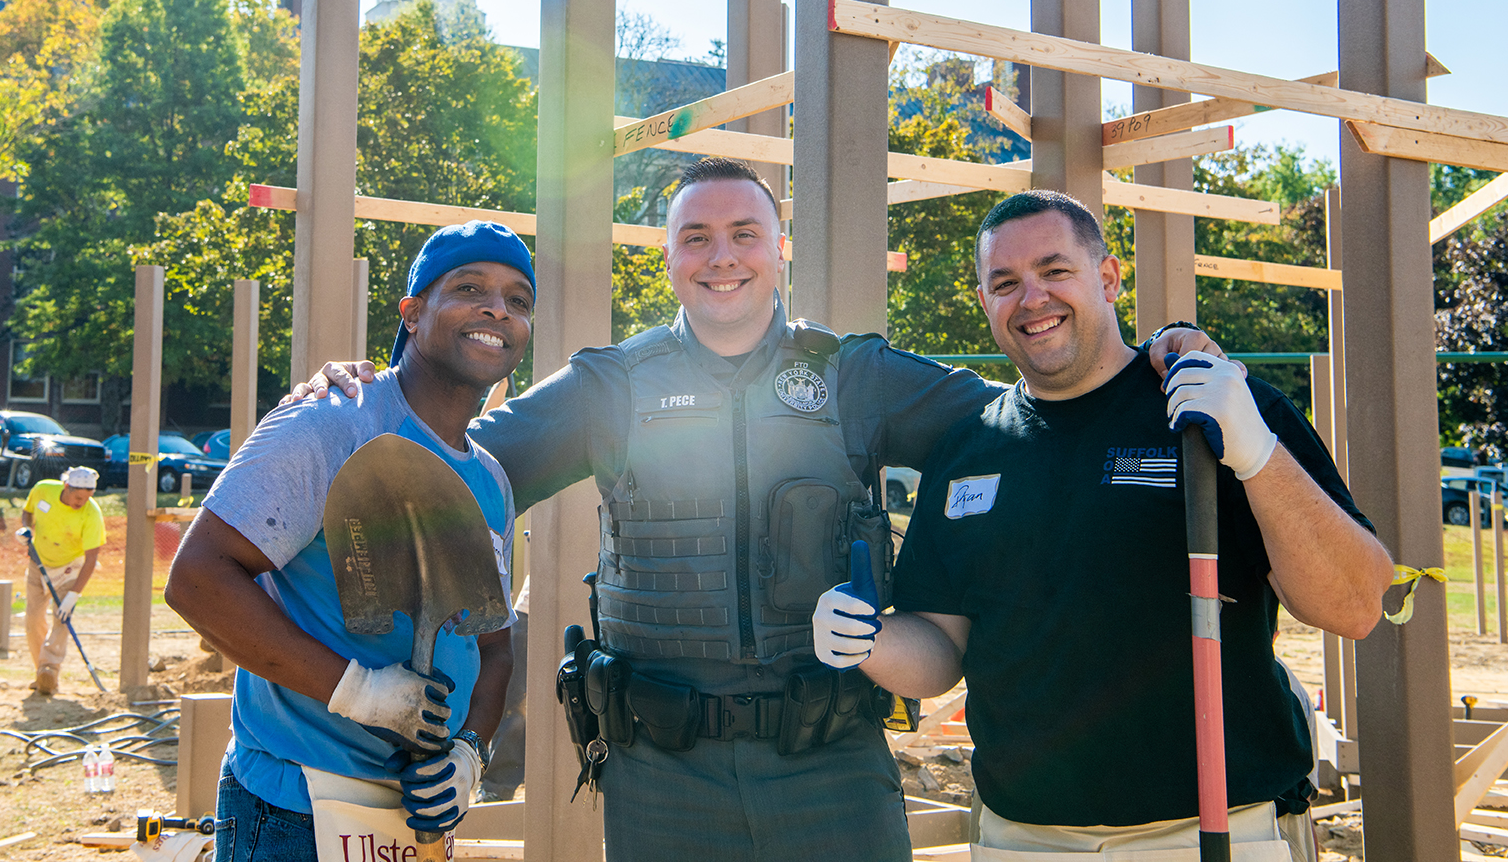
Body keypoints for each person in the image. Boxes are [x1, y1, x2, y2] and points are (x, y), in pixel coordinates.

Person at [295, 158, 1226, 861]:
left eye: (745, 232)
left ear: (779, 250)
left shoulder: (853, 375)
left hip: (831, 763)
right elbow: (449, 472)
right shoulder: (610, 387)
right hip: (662, 773)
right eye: (695, 236)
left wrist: (1145, 355)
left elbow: (1022, 420)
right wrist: (369, 394)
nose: (722, 255)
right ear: (666, 260)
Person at [814, 190, 1393, 859]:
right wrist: (869, 640)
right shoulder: (968, 446)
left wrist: (1257, 450)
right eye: (1005, 282)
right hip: (1023, 838)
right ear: (984, 302)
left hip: (1211, 832)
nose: (1031, 297)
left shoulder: (1212, 408)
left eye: (1054, 270)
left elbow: (1355, 604)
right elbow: (943, 648)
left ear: (1109, 277)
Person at [166, 221, 534, 862]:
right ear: (413, 314)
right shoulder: (333, 421)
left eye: (518, 299)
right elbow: (199, 580)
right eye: (470, 287)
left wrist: (470, 756)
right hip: (297, 810)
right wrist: (360, 691)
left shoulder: (491, 481)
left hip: (412, 822)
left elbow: (494, 649)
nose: (496, 308)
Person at [20, 465, 106, 694]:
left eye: (88, 497)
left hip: (71, 568)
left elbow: (91, 559)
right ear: (67, 486)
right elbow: (27, 512)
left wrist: (73, 595)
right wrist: (26, 529)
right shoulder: (43, 490)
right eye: (78, 497)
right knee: (33, 618)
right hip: (39, 563)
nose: (82, 502)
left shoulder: (91, 514)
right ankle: (41, 670)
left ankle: (50, 669)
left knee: (61, 619)